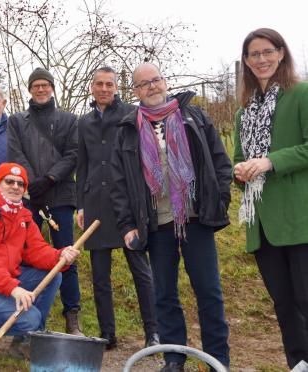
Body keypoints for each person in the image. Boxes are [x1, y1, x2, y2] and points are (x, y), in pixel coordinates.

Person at [111, 63, 231, 371]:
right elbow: (119, 183)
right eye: (143, 84)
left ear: (165, 82)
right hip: (155, 223)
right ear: (135, 91)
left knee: (208, 291)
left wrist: (220, 199)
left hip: (196, 218)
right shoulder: (127, 130)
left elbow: (220, 161)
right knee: (164, 294)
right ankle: (174, 359)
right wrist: (126, 225)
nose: (152, 87)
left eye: (156, 80)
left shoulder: (194, 117)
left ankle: (218, 360)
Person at [0, 162, 80, 357]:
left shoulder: (23, 216)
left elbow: (37, 250)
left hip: (0, 284)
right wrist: (12, 288)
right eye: (9, 181)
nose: (15, 187)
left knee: (53, 276)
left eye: (21, 184)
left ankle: (24, 343)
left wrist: (59, 255)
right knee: (31, 319)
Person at [233, 28, 308, 369]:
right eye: (253, 54)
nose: (261, 59)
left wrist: (270, 161)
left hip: (298, 218)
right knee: (283, 303)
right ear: (246, 62)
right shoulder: (242, 112)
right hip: (261, 225)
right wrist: (241, 172)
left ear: (280, 53)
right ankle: (298, 363)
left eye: (267, 52)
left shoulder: (301, 94)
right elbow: (237, 158)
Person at [76, 66, 159, 350]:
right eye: (99, 84)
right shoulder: (83, 122)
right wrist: (80, 205)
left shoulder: (130, 117)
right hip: (95, 205)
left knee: (141, 270)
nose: (104, 89)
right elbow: (82, 164)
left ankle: (153, 332)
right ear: (91, 87)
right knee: (100, 276)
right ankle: (107, 334)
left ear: (116, 88)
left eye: (109, 84)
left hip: (125, 203)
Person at [7, 67, 83, 335]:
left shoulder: (69, 120)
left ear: (52, 88)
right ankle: (28, 313)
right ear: (30, 89)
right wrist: (32, 183)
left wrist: (49, 178)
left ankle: (72, 314)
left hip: (60, 196)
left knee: (66, 256)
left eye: (45, 85)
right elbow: (15, 152)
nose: (40, 89)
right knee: (23, 255)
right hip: (27, 198)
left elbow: (73, 154)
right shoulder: (16, 121)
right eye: (36, 85)